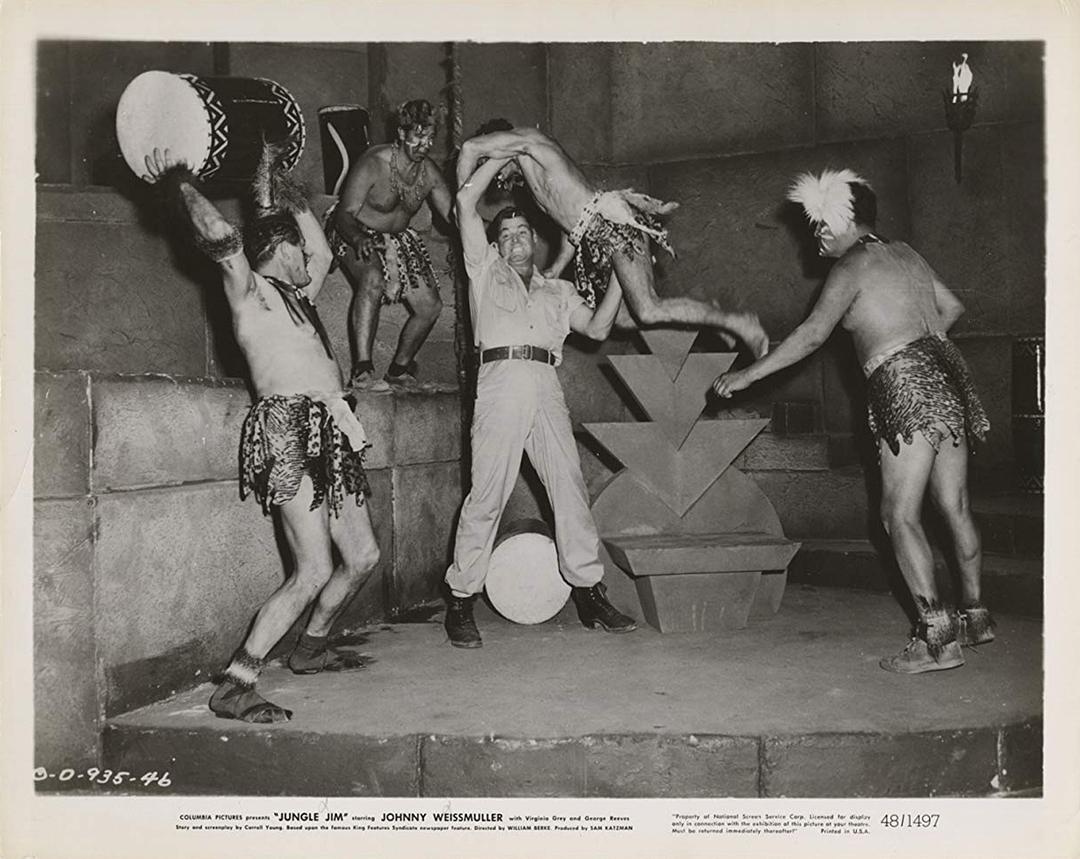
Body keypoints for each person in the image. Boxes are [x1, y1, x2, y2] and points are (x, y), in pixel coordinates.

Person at [712, 168, 993, 674]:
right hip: (947, 376)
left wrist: (747, 375)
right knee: (955, 506)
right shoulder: (905, 253)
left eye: (822, 224)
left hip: (904, 384)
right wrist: (916, 346)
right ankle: (975, 618)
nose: (817, 235)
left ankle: (937, 641)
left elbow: (811, 335)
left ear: (844, 221)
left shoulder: (851, 266)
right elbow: (952, 307)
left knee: (897, 515)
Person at [143, 142, 381, 721]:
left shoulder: (300, 296)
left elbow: (321, 246)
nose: (314, 261)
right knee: (314, 568)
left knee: (362, 555)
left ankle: (311, 648)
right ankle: (236, 683)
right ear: (281, 251)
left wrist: (281, 190)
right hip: (287, 430)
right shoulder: (250, 295)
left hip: (331, 427)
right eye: (300, 252)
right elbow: (223, 239)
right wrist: (179, 183)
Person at [443, 151, 638, 648]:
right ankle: (461, 599)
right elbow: (465, 201)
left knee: (570, 489)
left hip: (546, 384)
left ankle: (589, 593)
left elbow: (598, 328)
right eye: (505, 234)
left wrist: (622, 271)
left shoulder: (559, 291)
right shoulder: (484, 270)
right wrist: (506, 151)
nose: (514, 240)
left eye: (522, 232)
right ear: (496, 244)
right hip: (501, 382)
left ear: (535, 239)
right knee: (487, 494)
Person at [456, 125, 769, 357]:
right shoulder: (532, 180)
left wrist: (461, 205)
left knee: (648, 309)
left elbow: (469, 147)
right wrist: (556, 268)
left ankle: (738, 322)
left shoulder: (532, 142)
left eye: (493, 169)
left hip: (614, 227)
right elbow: (570, 227)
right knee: (623, 319)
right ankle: (710, 318)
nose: (498, 179)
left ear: (497, 144)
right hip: (595, 242)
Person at [324, 98, 454, 390]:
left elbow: (453, 217)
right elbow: (345, 213)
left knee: (430, 306)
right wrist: (358, 238)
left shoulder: (429, 172)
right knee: (372, 278)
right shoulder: (374, 162)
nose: (424, 145)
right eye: (417, 137)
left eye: (430, 138)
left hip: (398, 239)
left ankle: (398, 369)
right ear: (401, 133)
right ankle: (362, 371)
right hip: (353, 230)